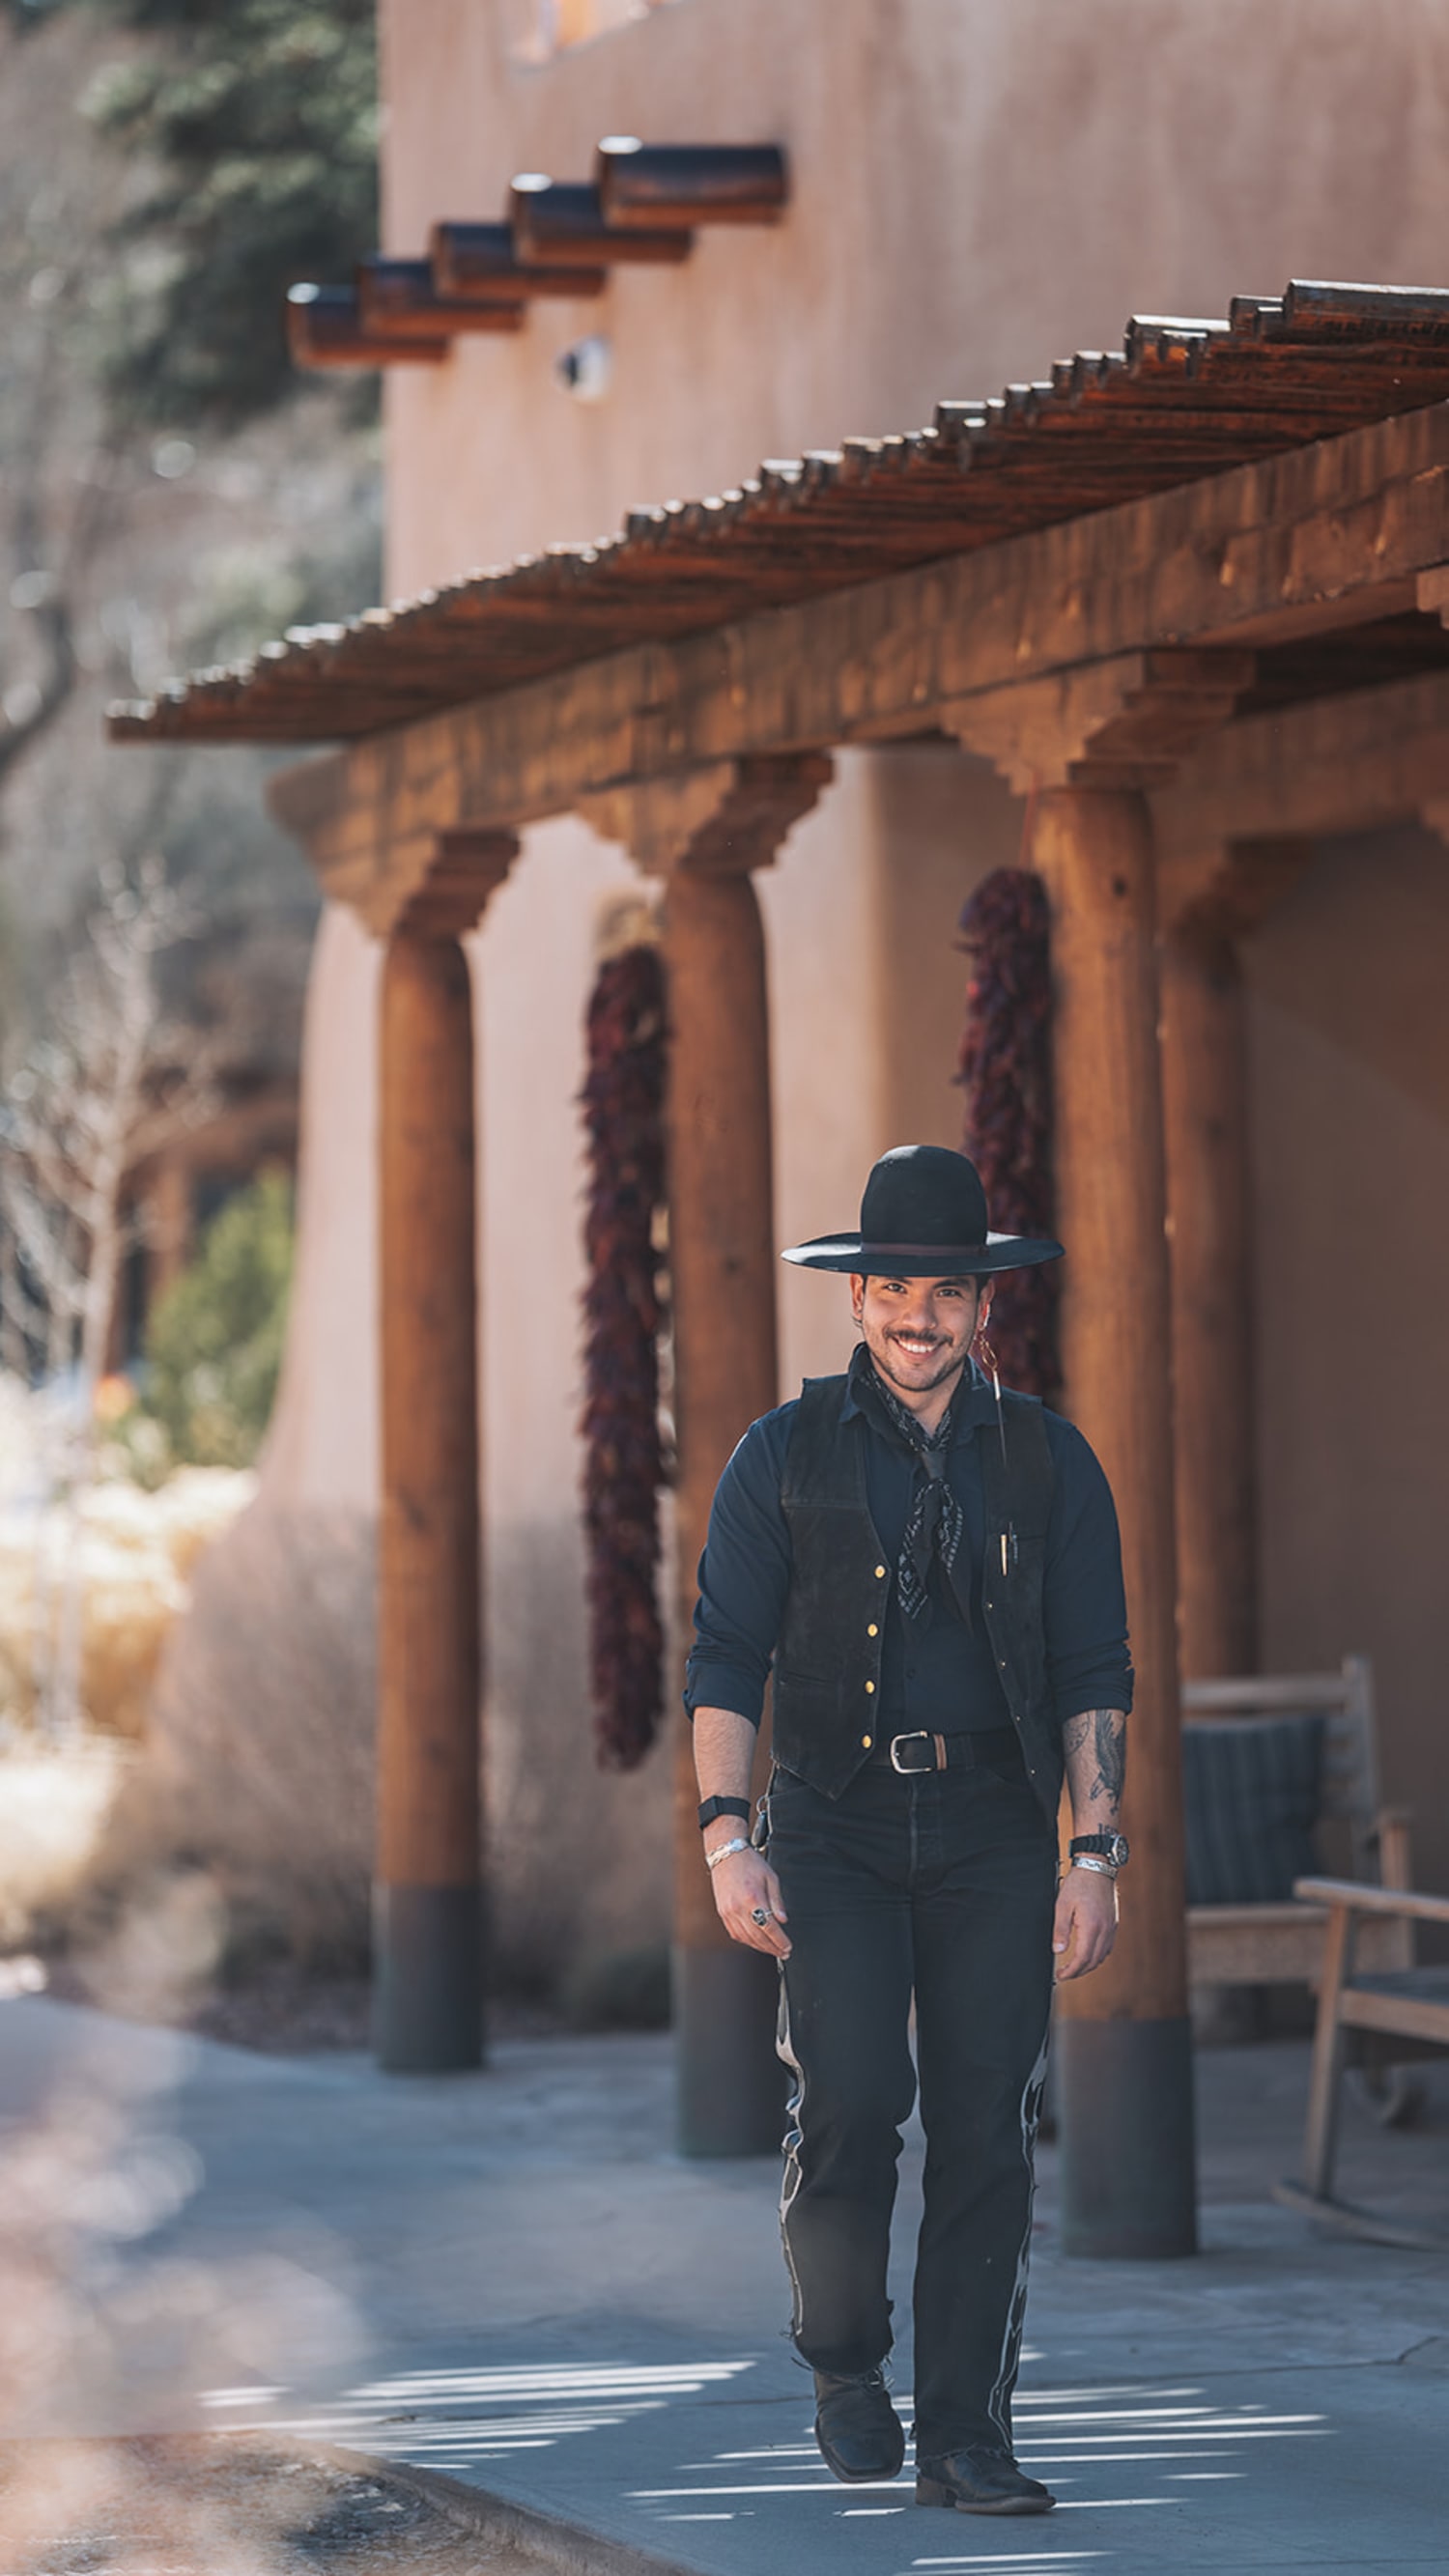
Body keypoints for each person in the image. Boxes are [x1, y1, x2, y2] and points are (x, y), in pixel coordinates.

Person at [686, 1144, 1131, 2519]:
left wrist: (1094, 1852)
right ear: (858, 1297)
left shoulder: (1051, 1463)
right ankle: (838, 2357)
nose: (917, 1316)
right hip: (829, 1828)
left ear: (980, 1306)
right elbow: (722, 1658)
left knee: (991, 2133)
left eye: (944, 1291)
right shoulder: (782, 1453)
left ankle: (966, 2438)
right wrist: (723, 1837)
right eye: (893, 1288)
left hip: (999, 1832)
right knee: (854, 2107)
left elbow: (1094, 1671)